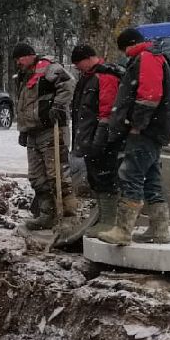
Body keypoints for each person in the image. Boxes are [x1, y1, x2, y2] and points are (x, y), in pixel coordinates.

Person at [99, 27, 170, 246]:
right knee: (151, 178)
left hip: (146, 130)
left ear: (130, 44)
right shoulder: (154, 55)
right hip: (155, 129)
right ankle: (159, 230)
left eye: (124, 50)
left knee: (130, 174)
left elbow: (150, 96)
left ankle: (123, 231)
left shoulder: (147, 57)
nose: (125, 55)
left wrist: (137, 125)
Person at [11, 41, 76, 229]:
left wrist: (57, 105)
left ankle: (69, 217)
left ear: (30, 55)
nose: (18, 62)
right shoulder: (23, 77)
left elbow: (68, 83)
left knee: (57, 175)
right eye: (16, 60)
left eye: (20, 58)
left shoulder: (49, 68)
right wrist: (23, 130)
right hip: (33, 132)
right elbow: (25, 105)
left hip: (51, 130)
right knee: (37, 177)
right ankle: (47, 214)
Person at [68, 43, 124, 239]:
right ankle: (104, 219)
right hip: (90, 137)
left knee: (105, 177)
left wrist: (101, 138)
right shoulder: (88, 77)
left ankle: (109, 221)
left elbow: (107, 110)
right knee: (96, 178)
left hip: (103, 138)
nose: (77, 68)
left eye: (78, 63)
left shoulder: (105, 76)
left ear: (87, 58)